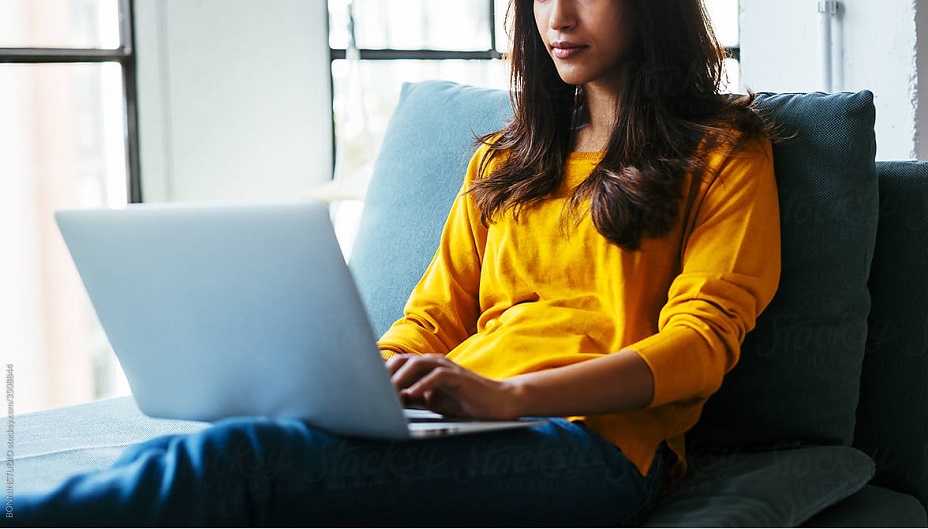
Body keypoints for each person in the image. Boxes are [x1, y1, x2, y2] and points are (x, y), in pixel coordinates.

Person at [15, 0, 779, 526]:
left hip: (597, 449)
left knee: (238, 461)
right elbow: (432, 320)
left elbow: (700, 347)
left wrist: (508, 396)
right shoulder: (505, 161)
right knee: (196, 450)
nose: (557, 17)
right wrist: (354, 387)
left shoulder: (720, 153)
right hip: (460, 421)